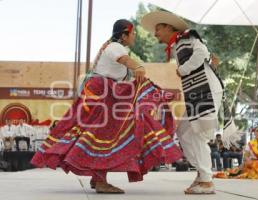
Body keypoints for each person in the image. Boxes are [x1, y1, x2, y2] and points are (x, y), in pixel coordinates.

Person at [31, 19, 182, 194]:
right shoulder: (115, 47)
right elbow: (126, 61)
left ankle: (97, 178)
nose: (134, 36)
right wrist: (138, 66)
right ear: (124, 35)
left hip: (101, 93)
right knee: (104, 134)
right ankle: (101, 181)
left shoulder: (111, 47)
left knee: (99, 135)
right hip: (101, 94)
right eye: (132, 33)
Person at [141, 11, 239, 194]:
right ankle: (203, 174)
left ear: (170, 27)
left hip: (206, 91)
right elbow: (206, 55)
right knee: (183, 132)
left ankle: (207, 180)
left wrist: (183, 69)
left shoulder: (185, 38)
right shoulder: (180, 43)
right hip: (199, 92)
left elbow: (201, 52)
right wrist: (209, 61)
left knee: (199, 134)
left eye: (158, 29)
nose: (156, 34)